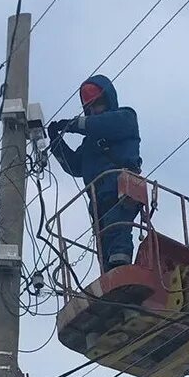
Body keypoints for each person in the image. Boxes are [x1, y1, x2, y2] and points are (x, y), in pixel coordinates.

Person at [48, 75, 141, 273]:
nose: (93, 110)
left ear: (108, 100)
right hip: (97, 197)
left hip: (120, 187)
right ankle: (110, 272)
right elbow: (75, 166)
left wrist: (72, 125)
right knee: (104, 238)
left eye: (96, 104)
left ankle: (121, 265)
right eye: (89, 106)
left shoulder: (125, 118)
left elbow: (102, 124)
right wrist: (56, 143)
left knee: (118, 228)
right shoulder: (90, 143)